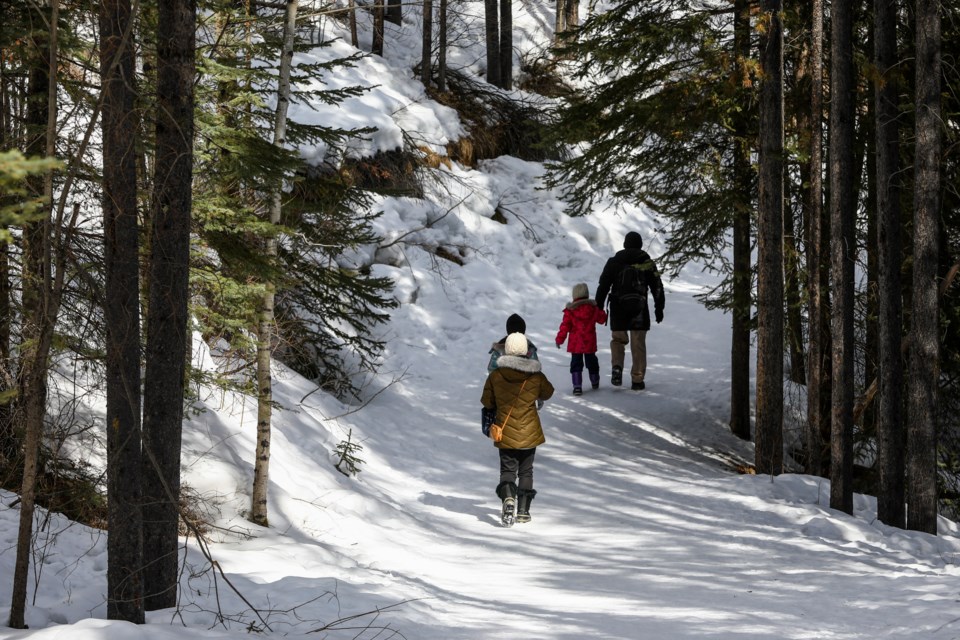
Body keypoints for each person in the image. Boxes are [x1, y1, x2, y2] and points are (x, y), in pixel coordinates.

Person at [481, 332, 554, 526]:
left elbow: (486, 401)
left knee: (507, 470)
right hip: (530, 431)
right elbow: (548, 392)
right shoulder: (535, 375)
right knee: (526, 471)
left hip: (505, 431)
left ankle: (508, 499)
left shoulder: (496, 375)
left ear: (506, 350)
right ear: (525, 351)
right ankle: (523, 512)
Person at [595, 231, 665, 390]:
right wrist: (659, 308)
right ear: (640, 245)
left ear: (625, 244)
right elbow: (657, 287)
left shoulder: (614, 261)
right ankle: (637, 379)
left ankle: (617, 367)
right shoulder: (646, 262)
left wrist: (598, 306)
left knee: (618, 340)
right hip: (639, 309)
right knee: (638, 343)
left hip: (618, 307)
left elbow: (603, 285)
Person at [555, 282, 607, 395]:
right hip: (590, 342)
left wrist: (559, 339)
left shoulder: (570, 311)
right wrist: (602, 310)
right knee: (592, 361)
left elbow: (564, 327)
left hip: (575, 344)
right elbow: (602, 319)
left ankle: (577, 386)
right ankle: (595, 380)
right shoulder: (593, 309)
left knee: (576, 364)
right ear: (587, 294)